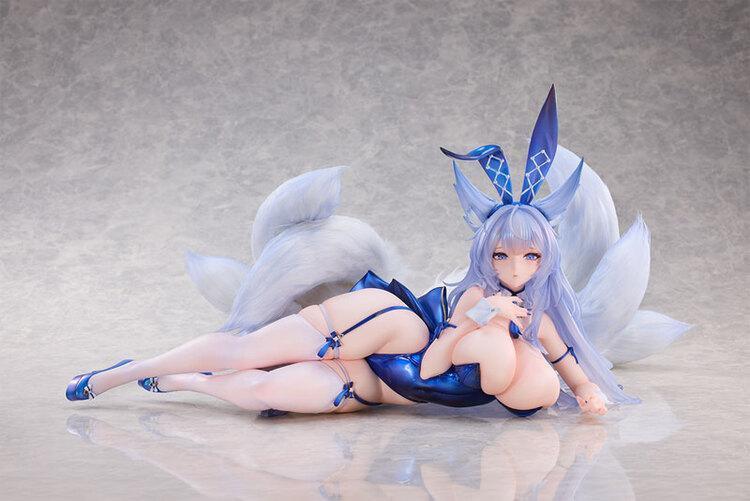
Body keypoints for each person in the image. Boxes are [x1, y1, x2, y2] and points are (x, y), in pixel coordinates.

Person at [66, 86, 689, 417]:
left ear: (545, 259)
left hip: (380, 387)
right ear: (487, 254)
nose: (515, 270)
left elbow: (568, 363)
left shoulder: (539, 322)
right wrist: (488, 315)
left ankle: (180, 381)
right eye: (503, 256)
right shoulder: (481, 296)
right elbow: (438, 357)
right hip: (391, 329)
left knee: (265, 394)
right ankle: (118, 373)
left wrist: (587, 392)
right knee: (246, 349)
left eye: (529, 259)